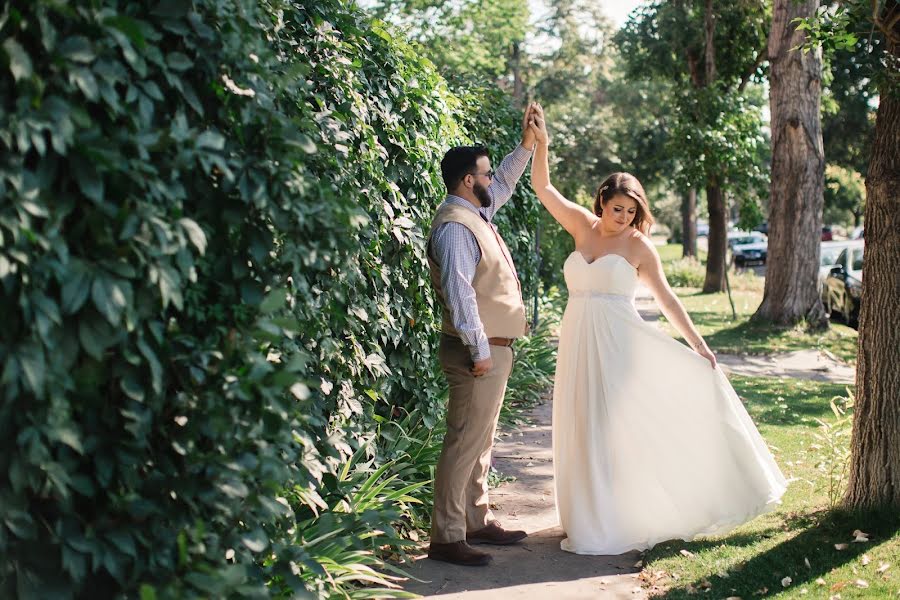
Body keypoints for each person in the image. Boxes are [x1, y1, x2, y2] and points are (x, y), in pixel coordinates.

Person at [527, 104, 787, 555]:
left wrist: (699, 345)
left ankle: (613, 517)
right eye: (616, 208)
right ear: (602, 203)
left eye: (631, 211)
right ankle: (586, 514)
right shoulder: (581, 228)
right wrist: (542, 144)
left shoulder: (638, 246)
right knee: (579, 424)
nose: (623, 217)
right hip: (577, 341)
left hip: (618, 344)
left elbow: (666, 300)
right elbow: (543, 187)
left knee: (609, 429)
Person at [424, 105, 537, 566]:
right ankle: (447, 537)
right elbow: (460, 292)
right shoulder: (455, 226)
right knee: (463, 441)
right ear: (468, 181)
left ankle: (475, 519)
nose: (494, 180)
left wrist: (527, 145)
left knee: (480, 440)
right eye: (486, 175)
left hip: (490, 348)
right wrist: (479, 349)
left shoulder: (475, 211)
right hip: (478, 351)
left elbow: (506, 182)